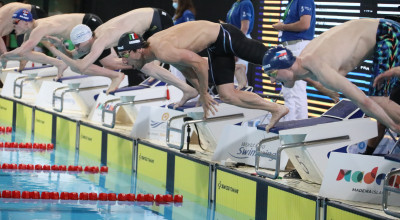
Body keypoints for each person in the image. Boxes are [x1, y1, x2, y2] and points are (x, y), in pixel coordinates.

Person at [115, 21, 338, 131]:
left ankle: (324, 82)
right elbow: (187, 68)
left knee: (284, 67)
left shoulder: (162, 50)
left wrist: (202, 93)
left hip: (228, 37)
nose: (125, 62)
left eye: (126, 56)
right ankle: (277, 109)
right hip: (216, 48)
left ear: (137, 50)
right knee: (228, 95)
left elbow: (199, 66)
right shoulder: (154, 51)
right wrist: (198, 93)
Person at [262, 18, 400, 134]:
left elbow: (363, 101)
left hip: (387, 33)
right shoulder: (303, 61)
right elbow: (303, 76)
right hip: (384, 29)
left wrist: (394, 127)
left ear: (286, 66)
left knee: (377, 101)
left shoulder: (318, 65)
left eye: (272, 74)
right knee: (378, 104)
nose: (272, 80)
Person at [47, 8, 198, 105]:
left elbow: (80, 67)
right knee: (146, 65)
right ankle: (189, 89)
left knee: (171, 59)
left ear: (86, 40)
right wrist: (61, 47)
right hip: (147, 24)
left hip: (157, 20)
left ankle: (197, 89)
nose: (78, 49)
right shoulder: (90, 39)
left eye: (78, 45)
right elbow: (74, 57)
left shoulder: (101, 40)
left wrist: (56, 53)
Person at [272, 0, 315, 121]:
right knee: (289, 92)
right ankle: (289, 127)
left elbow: (304, 24)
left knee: (296, 91)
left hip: (297, 46)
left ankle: (298, 128)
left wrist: (283, 26)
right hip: (290, 46)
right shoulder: (292, 1)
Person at [225, 0, 254, 87]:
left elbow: (244, 28)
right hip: (233, 40)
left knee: (239, 79)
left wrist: (237, 47)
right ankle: (231, 99)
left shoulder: (245, 3)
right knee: (231, 77)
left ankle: (243, 100)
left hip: (241, 41)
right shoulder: (236, 4)